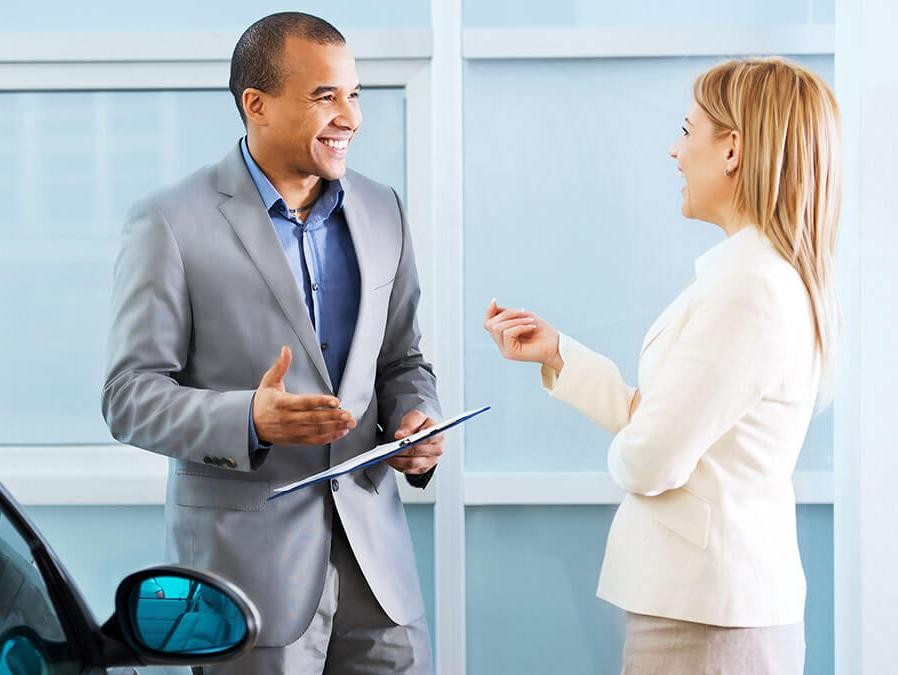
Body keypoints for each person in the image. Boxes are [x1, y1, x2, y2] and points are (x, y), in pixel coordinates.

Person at [102, 12, 442, 674]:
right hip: (247, 581)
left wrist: (415, 419)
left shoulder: (382, 209)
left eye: (355, 94)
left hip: (380, 576)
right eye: (326, 96)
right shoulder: (170, 221)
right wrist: (247, 419)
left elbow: (402, 359)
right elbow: (128, 396)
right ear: (255, 105)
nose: (351, 116)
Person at [484, 57, 840, 674]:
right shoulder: (756, 277)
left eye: (687, 129)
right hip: (712, 608)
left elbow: (651, 458)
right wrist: (560, 354)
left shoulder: (748, 288)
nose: (674, 151)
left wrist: (637, 444)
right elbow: (667, 424)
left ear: (732, 149)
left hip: (708, 617)